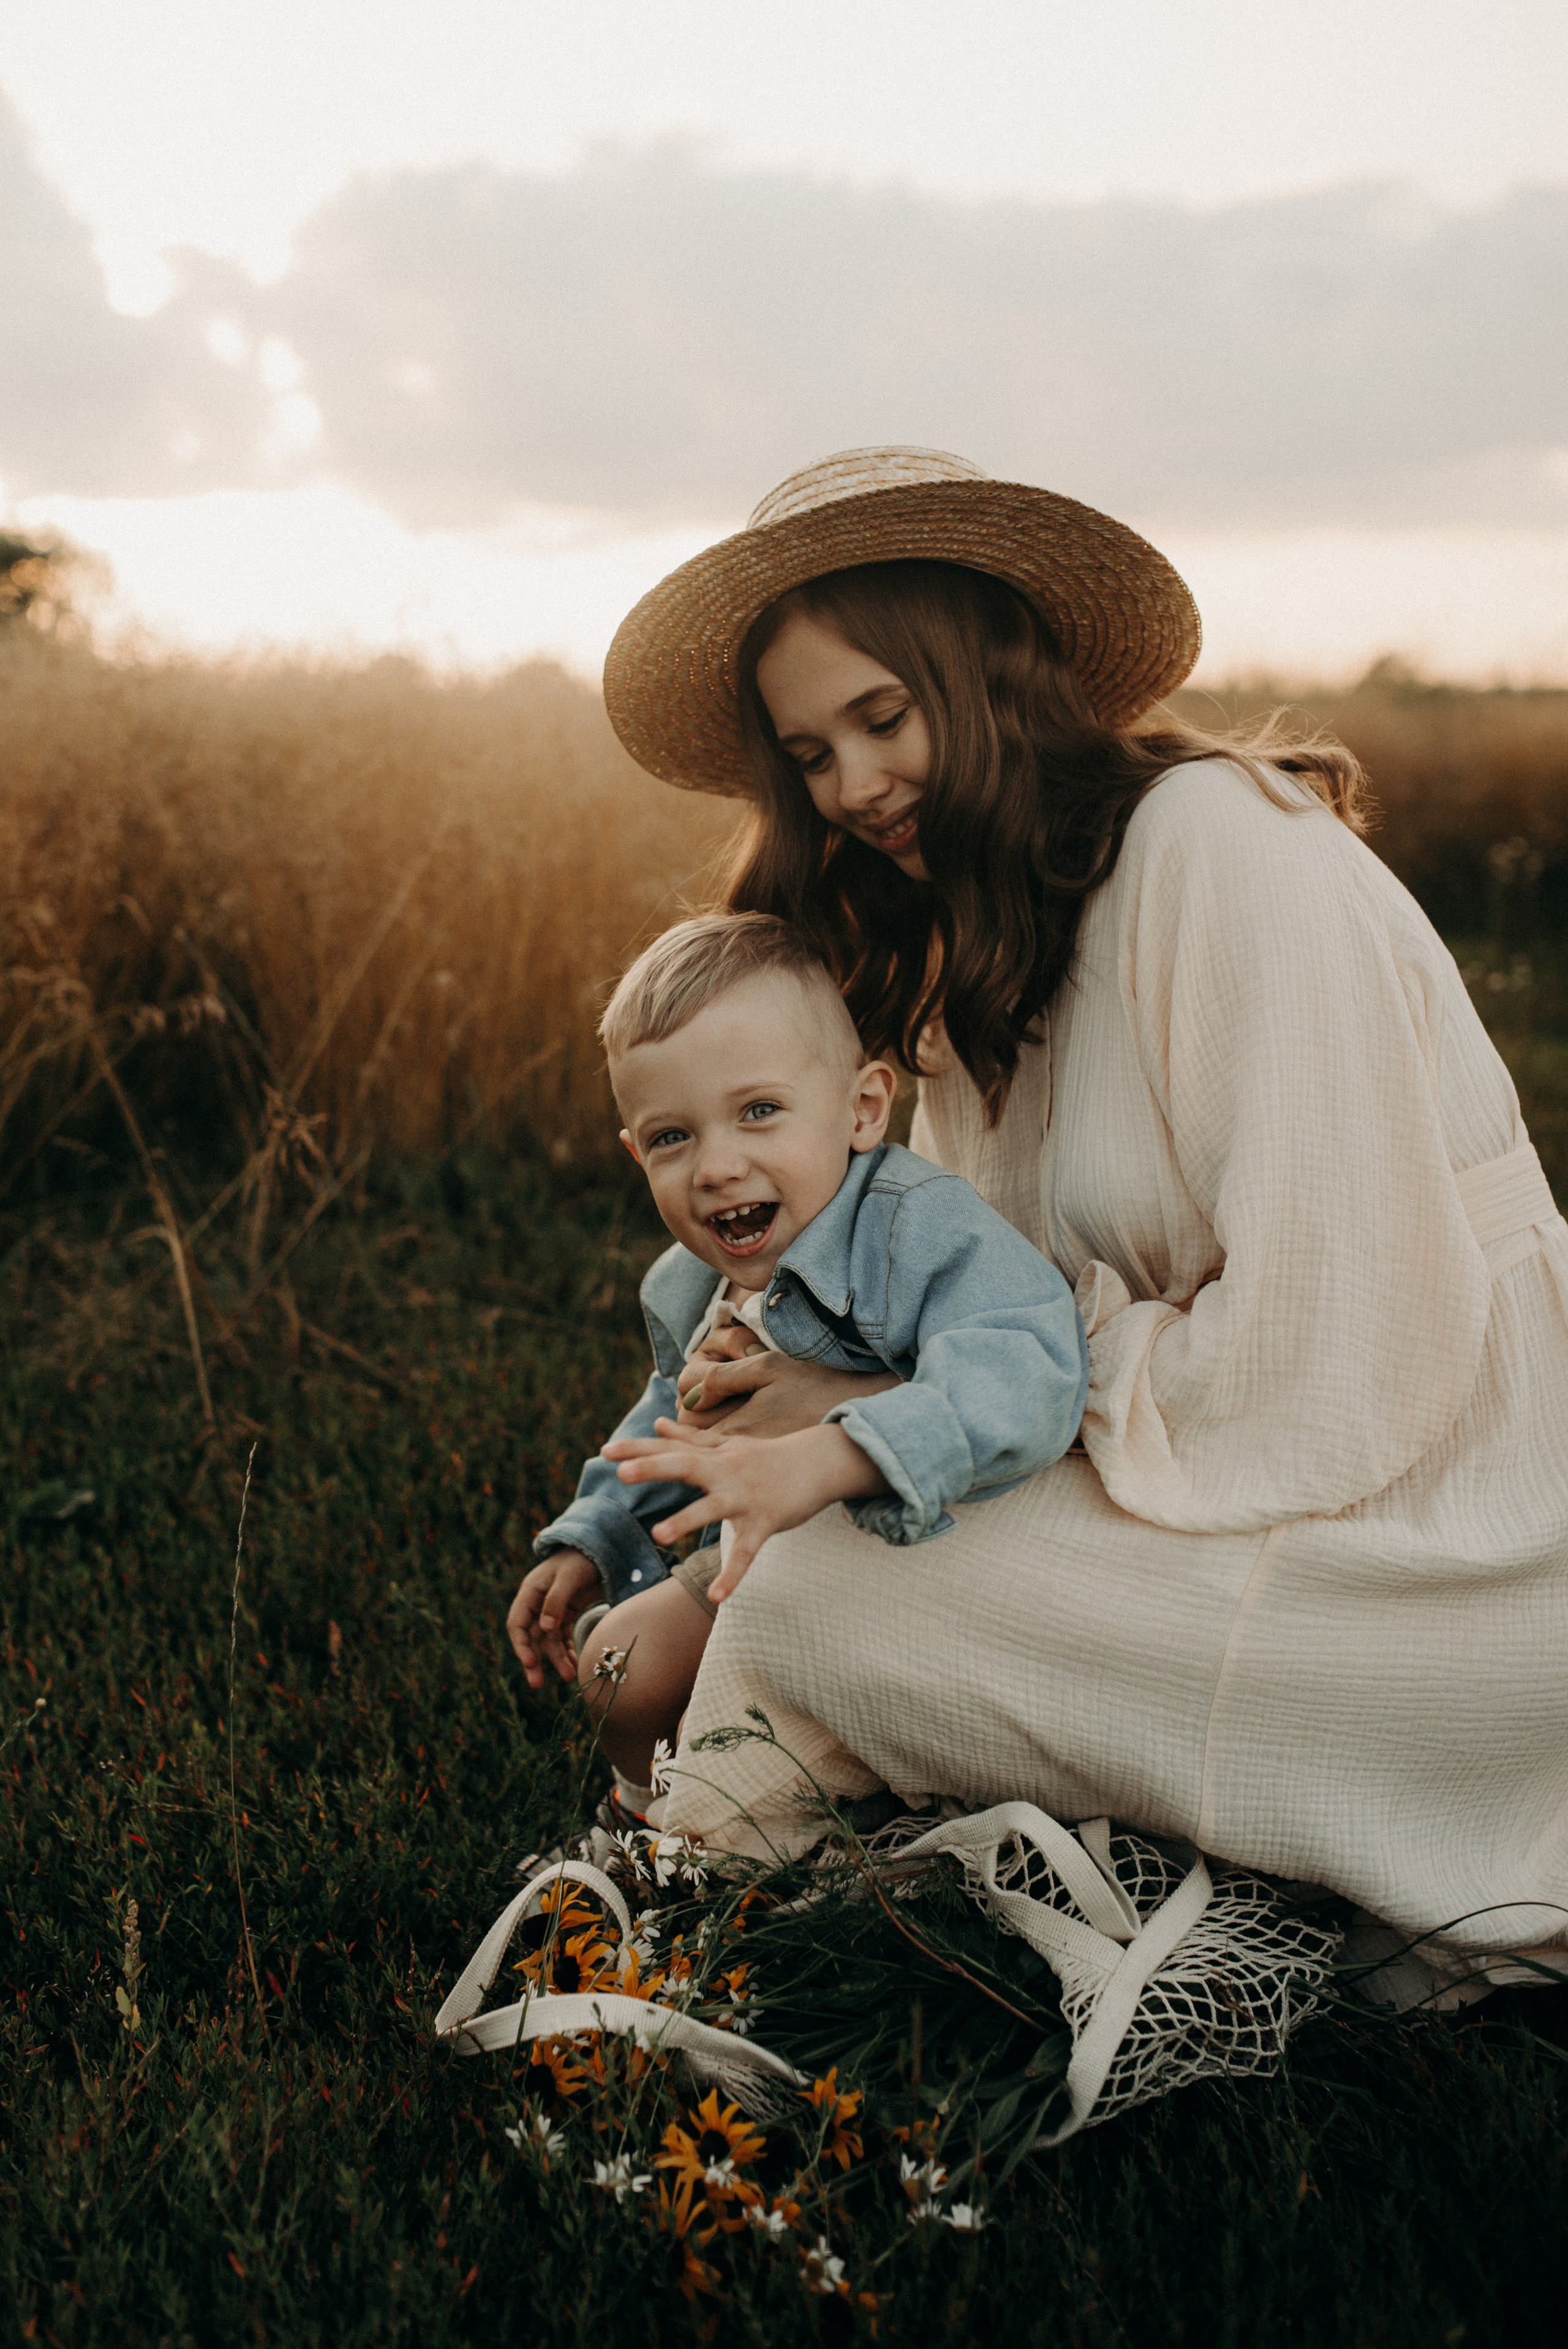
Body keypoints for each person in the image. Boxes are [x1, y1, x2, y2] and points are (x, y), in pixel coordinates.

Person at [578, 444, 1568, 1988]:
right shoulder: (979, 930)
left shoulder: (1220, 850)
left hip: (1449, 1525)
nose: (851, 788)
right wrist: (797, 1411)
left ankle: (716, 1926)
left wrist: (867, 1411)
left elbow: (1337, 1352)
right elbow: (965, 1293)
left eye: (883, 718)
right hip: (1233, 1472)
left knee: (822, 1587)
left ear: (991, 674)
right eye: (811, 753)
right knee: (798, 1559)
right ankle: (734, 1899)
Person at [508, 909, 1087, 1819]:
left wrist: (837, 1449)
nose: (716, 1166)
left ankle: (707, 1811)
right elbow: (676, 1415)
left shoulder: (914, 1228)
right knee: (618, 1673)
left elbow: (1030, 1363)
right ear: (634, 1153)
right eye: (672, 1137)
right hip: (765, 1562)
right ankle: (649, 1822)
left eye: (759, 1112)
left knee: (636, 1664)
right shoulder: (698, 1280)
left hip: (928, 1566)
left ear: (863, 1108)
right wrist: (601, 1530)